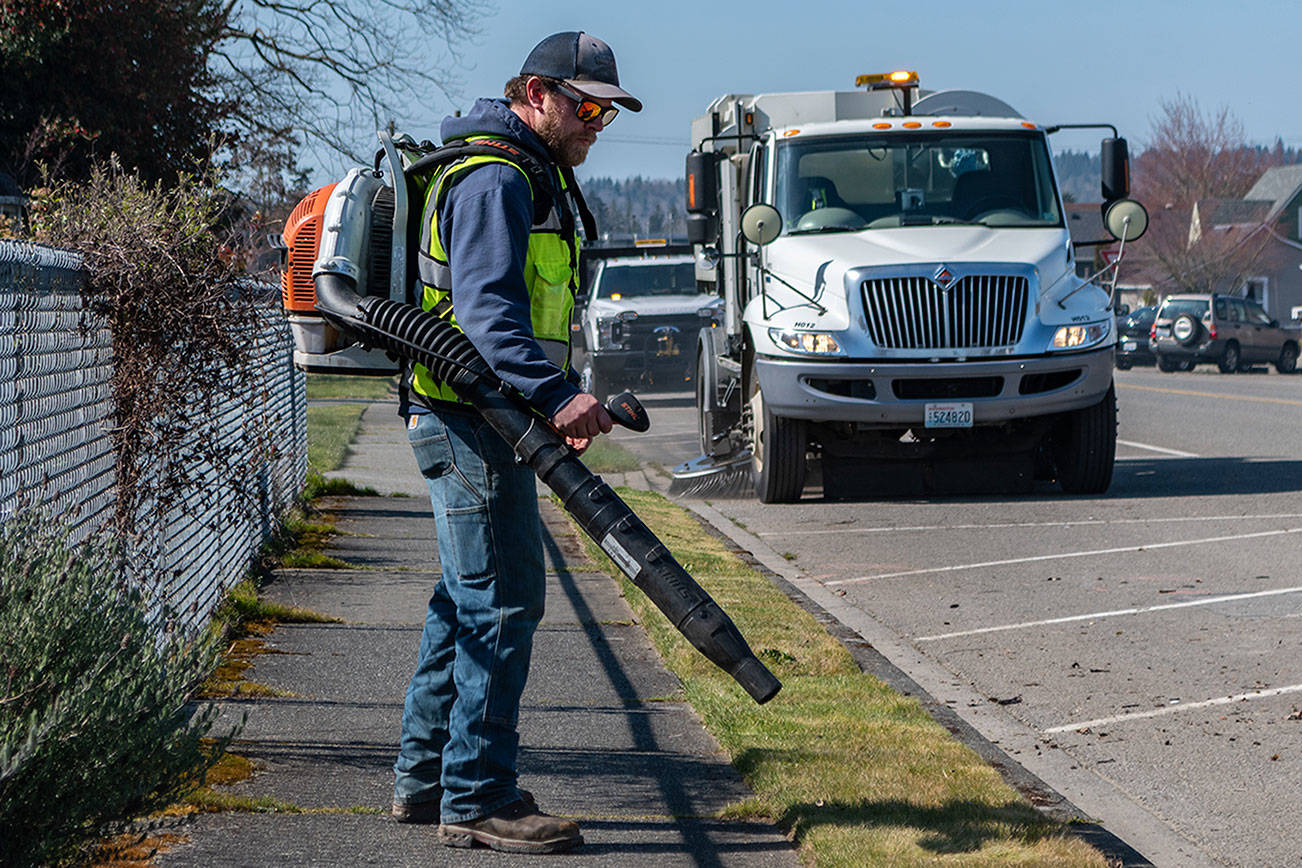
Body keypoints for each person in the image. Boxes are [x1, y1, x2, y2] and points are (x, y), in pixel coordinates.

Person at [390, 31, 641, 854]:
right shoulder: (498, 177)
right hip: (471, 420)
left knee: (462, 602)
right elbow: (490, 318)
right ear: (538, 93)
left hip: (471, 418)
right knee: (503, 602)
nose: (598, 122)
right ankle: (479, 795)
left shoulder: (517, 172)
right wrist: (561, 397)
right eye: (588, 105)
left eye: (608, 110)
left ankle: (426, 780)